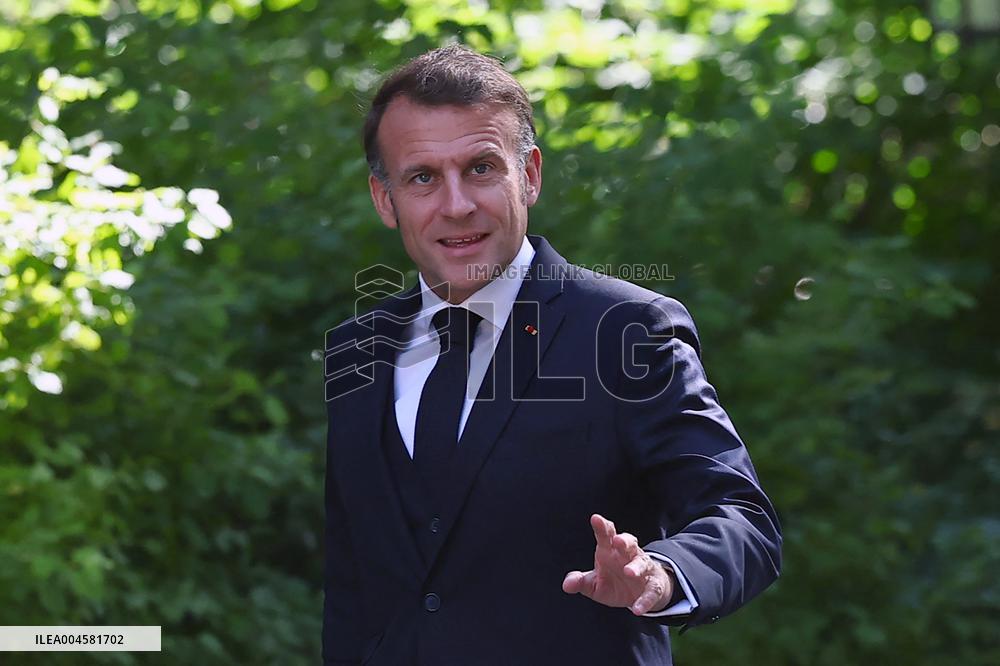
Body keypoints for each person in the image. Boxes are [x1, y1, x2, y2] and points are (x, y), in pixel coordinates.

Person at [322, 45, 781, 665]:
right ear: (385, 199)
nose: (456, 204)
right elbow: (355, 587)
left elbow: (743, 521)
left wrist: (659, 575)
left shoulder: (623, 330)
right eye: (423, 177)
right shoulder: (359, 349)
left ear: (530, 175)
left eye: (481, 168)